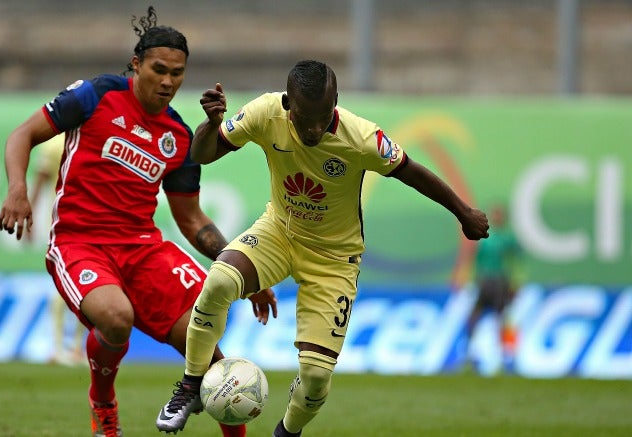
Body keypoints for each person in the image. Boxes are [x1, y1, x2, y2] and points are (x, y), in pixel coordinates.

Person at [156, 60, 490, 437]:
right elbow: (202, 154)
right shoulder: (266, 112)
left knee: (315, 377)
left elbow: (413, 173)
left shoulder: (362, 138)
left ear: (336, 101)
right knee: (218, 282)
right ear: (287, 104)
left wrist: (463, 213)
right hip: (278, 233)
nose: (314, 128)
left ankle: (287, 431)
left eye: (323, 116)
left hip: (334, 260)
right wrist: (213, 124)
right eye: (304, 118)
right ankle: (190, 386)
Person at [0, 7, 277, 437]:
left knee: (205, 347)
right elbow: (22, 134)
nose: (168, 81)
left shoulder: (180, 137)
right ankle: (103, 403)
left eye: (177, 73)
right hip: (79, 242)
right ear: (136, 65)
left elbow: (192, 219)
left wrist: (246, 272)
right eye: (159, 70)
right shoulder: (95, 96)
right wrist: (18, 190)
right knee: (115, 316)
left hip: (143, 246)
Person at [25, 133, 87, 366]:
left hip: (83, 220)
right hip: (67, 221)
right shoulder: (55, 144)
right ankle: (62, 347)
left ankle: (70, 348)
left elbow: (39, 183)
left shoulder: (90, 135)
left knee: (83, 284)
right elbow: (40, 181)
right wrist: (29, 214)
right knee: (70, 282)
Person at [465, 203, 523, 373]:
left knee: (502, 320)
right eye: (494, 214)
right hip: (484, 281)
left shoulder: (508, 239)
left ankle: (506, 358)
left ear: (503, 218)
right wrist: (471, 279)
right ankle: (470, 355)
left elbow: (516, 261)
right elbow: (475, 260)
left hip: (499, 281)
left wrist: (515, 282)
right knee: (473, 319)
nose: (496, 217)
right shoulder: (482, 238)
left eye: (498, 214)